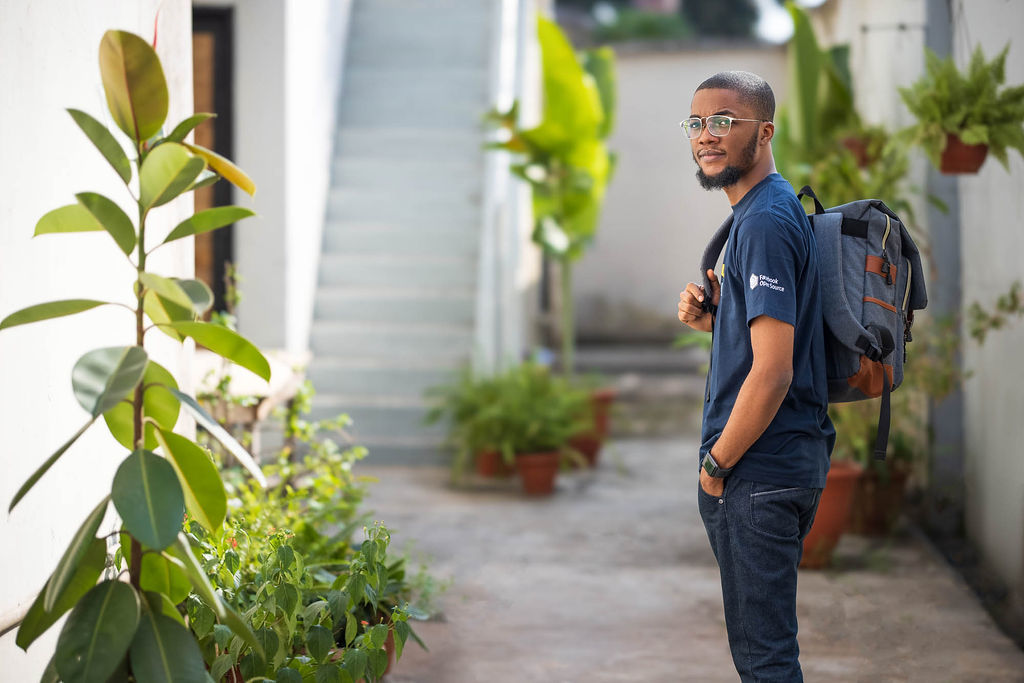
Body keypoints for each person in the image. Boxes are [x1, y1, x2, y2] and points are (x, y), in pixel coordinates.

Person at [676, 71, 836, 681]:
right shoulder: (759, 214)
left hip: (758, 473)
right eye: (696, 122)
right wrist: (713, 319)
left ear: (764, 131)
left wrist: (716, 467)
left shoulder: (766, 221)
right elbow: (765, 343)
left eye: (724, 121)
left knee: (766, 660)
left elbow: (772, 372)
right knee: (762, 654)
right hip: (776, 466)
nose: (706, 135)